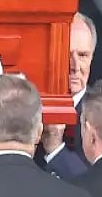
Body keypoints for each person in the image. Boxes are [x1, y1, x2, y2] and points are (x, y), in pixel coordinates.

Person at [40, 12, 95, 178]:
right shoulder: (25, 107)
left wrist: (56, 149)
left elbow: (98, 186)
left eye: (83, 55)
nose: (76, 66)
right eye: (66, 55)